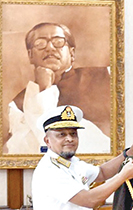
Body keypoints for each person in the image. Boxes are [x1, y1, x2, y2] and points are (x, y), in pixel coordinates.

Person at [5, 22, 110, 154]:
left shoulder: (106, 76)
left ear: (72, 53)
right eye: (40, 44)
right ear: (30, 56)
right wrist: (44, 89)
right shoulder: (18, 104)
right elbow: (26, 149)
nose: (49, 48)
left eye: (58, 41)